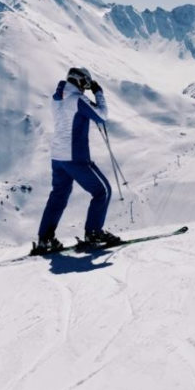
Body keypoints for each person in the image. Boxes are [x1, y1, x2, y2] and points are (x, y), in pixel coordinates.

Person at [34, 67, 120, 254]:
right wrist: (98, 93)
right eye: (86, 84)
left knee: (58, 196)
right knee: (102, 191)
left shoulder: (57, 99)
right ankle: (94, 233)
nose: (85, 88)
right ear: (79, 81)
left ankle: (45, 239)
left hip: (58, 157)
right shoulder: (77, 100)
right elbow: (102, 116)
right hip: (75, 156)